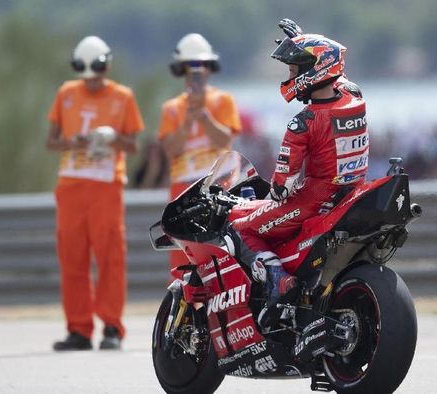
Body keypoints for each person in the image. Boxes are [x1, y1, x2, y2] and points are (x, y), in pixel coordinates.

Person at [229, 19, 369, 329]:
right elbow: (338, 76)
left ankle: (279, 282)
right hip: (352, 194)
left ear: (313, 71)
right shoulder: (354, 96)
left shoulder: (302, 123)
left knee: (240, 228)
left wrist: (272, 193)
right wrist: (303, 43)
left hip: (312, 202)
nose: (290, 75)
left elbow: (281, 188)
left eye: (294, 68)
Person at [46, 36, 144, 351]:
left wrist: (113, 138)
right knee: (72, 259)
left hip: (105, 186)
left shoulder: (122, 97)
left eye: (97, 73)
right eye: (86, 74)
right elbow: (51, 141)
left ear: (107, 66)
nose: (91, 81)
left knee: (110, 258)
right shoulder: (66, 93)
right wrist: (73, 142)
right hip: (71, 184)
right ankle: (78, 329)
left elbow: (133, 145)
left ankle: (112, 327)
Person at [158, 33, 242, 277]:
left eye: (202, 65)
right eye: (191, 66)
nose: (197, 71)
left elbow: (226, 140)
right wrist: (187, 121)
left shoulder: (223, 101)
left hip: (219, 183)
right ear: (181, 70)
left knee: (221, 244)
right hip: (183, 187)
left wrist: (204, 116)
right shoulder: (172, 108)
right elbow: (170, 150)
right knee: (181, 249)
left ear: (210, 67)